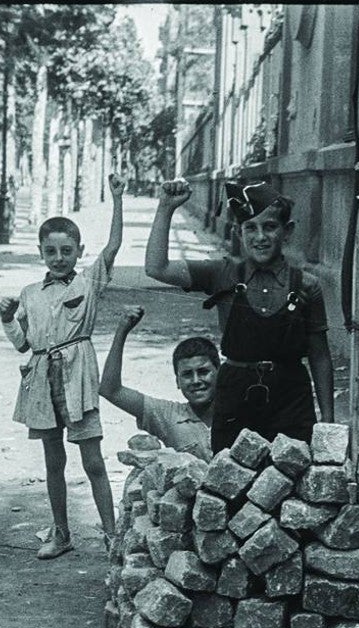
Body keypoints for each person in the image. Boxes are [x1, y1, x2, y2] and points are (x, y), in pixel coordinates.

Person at [144, 179, 335, 452]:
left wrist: (328, 423)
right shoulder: (222, 273)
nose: (260, 237)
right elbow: (156, 268)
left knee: (295, 481)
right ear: (238, 232)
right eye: (250, 228)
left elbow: (319, 354)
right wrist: (165, 208)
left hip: (291, 398)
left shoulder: (306, 285)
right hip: (236, 395)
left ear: (287, 231)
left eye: (270, 227)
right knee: (230, 482)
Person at [0, 173, 126, 559]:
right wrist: (7, 318)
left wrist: (117, 198)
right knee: (54, 461)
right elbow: (23, 345)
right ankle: (62, 533)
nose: (59, 259)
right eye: (51, 252)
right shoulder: (29, 294)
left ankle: (112, 536)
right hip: (41, 382)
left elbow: (114, 245)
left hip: (78, 380)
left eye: (66, 251)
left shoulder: (88, 284)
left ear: (79, 251)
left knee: (93, 460)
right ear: (41, 252)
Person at [99, 305, 216, 461]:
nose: (196, 381)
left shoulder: (240, 411)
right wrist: (122, 331)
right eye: (187, 374)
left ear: (219, 373)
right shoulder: (168, 415)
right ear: (177, 381)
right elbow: (110, 390)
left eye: (203, 372)